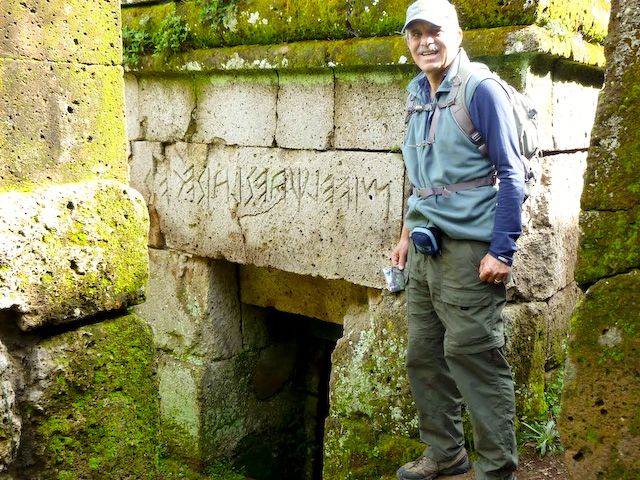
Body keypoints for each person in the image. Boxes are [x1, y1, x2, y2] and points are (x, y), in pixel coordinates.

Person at [391, 1, 525, 479]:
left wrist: (501, 250)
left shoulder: (480, 90)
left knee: (474, 358)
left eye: (436, 31)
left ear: (458, 33)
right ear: (408, 41)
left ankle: (496, 470)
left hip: (471, 251)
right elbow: (418, 176)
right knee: (423, 356)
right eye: (416, 33)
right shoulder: (416, 94)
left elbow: (512, 174)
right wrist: (405, 235)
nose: (426, 41)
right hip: (425, 250)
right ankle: (446, 453)